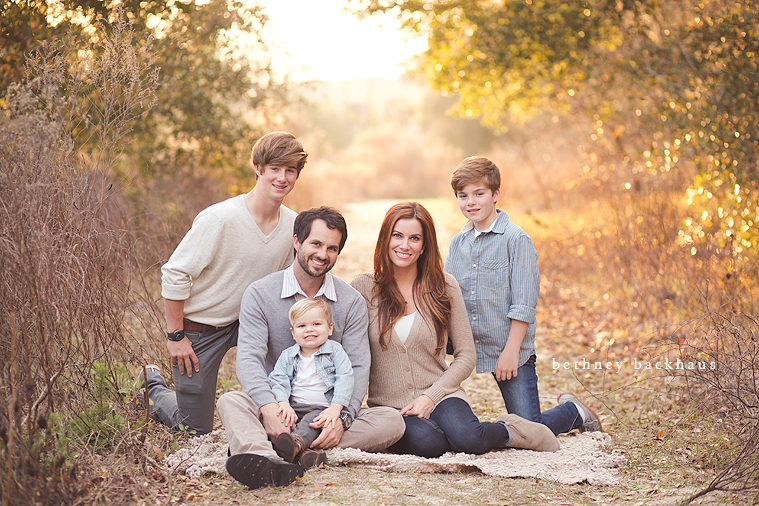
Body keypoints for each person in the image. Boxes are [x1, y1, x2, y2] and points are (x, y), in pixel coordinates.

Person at [350, 201, 559, 458]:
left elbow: (466, 355)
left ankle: (510, 429)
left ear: (424, 245)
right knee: (428, 444)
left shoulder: (443, 286)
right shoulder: (363, 288)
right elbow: (351, 353)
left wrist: (430, 396)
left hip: (442, 393)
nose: (405, 245)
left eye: (414, 238)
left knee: (469, 438)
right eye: (397, 236)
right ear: (385, 238)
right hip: (390, 407)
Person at [217, 207, 406, 489]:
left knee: (392, 421)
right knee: (230, 401)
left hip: (324, 411)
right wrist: (268, 408)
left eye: (332, 248)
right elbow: (248, 358)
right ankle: (264, 458)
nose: (323, 254)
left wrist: (342, 418)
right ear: (297, 241)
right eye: (316, 244)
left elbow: (356, 366)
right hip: (279, 406)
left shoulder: (350, 301)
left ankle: (288, 447)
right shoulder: (260, 293)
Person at [141, 131, 308, 435]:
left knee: (287, 380)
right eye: (274, 169)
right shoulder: (220, 219)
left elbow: (286, 282)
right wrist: (176, 335)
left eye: (290, 170)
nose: (282, 178)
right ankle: (152, 388)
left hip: (251, 323)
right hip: (201, 327)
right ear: (257, 168)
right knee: (193, 427)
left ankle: (277, 414)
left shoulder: (293, 226)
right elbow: (175, 274)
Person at [444, 156, 603, 436]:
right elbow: (447, 295)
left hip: (508, 347)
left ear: (495, 194)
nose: (470, 202)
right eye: (463, 195)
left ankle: (574, 412)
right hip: (467, 343)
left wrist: (511, 353)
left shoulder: (516, 240)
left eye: (478, 194)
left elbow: (524, 305)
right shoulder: (458, 243)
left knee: (530, 429)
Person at [268, 297, 354, 470]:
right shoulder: (287, 355)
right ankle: (304, 455)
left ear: (329, 328)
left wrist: (336, 408)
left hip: (321, 409)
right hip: (293, 407)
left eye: (316, 324)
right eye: (302, 326)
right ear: (293, 332)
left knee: (312, 423)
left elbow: (345, 376)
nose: (309, 330)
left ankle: (296, 445)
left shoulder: (335, 351)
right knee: (277, 421)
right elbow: (278, 379)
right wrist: (283, 404)